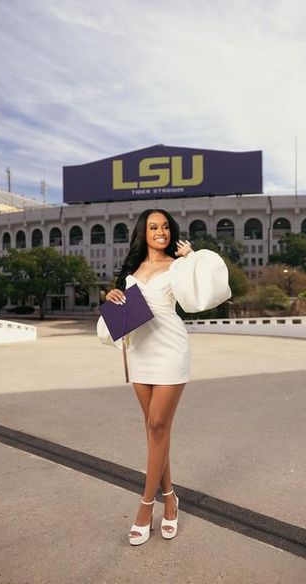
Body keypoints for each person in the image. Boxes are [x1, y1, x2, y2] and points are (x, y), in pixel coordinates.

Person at [97, 209, 231, 545]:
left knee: (157, 426)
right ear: (143, 232)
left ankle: (146, 507)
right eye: (154, 227)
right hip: (140, 353)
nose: (162, 232)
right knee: (156, 431)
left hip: (171, 351)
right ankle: (170, 499)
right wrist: (112, 297)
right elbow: (122, 305)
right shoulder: (130, 270)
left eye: (166, 226)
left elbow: (204, 296)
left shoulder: (179, 264)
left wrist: (194, 258)